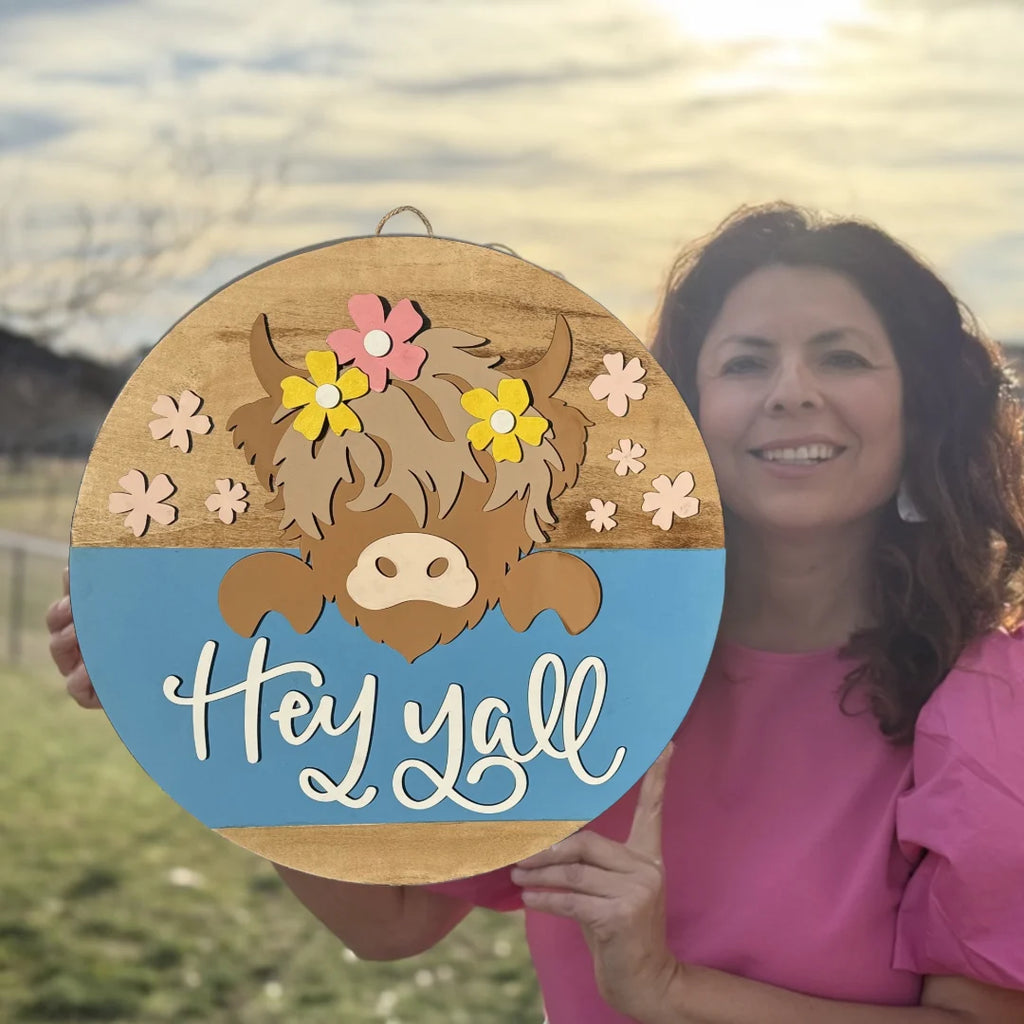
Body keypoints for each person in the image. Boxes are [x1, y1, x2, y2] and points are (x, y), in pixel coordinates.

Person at [47, 203, 1024, 1023]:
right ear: (679, 410)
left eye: (843, 357)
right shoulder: (568, 665)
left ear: (924, 411)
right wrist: (198, 715)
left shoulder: (985, 702)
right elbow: (390, 922)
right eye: (745, 362)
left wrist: (671, 988)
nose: (791, 394)